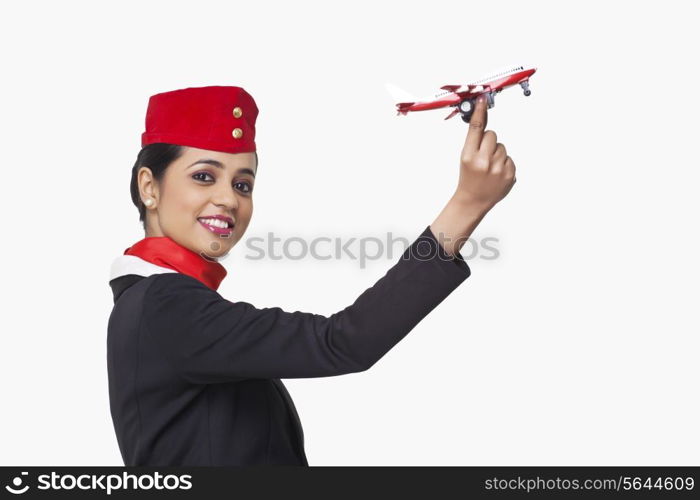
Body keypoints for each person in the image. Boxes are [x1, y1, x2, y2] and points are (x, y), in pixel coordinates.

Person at [107, 85, 516, 466]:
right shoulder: (165, 304)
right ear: (150, 187)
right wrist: (466, 205)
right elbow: (341, 342)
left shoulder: (153, 304)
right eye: (203, 176)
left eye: (243, 184)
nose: (229, 199)